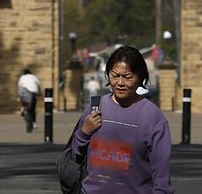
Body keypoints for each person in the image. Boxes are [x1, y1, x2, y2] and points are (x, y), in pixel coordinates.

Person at [69, 44, 174, 194]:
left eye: (127, 77)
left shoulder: (153, 117)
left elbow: (161, 173)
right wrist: (84, 133)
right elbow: (75, 155)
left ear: (140, 77)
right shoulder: (95, 108)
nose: (120, 83)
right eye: (114, 75)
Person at [19, 67, 44, 133]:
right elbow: (39, 86)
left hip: (25, 92)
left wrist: (19, 95)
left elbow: (20, 86)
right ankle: (34, 123)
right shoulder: (34, 77)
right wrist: (40, 93)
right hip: (33, 93)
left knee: (23, 99)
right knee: (32, 109)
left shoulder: (22, 77)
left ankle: (23, 108)